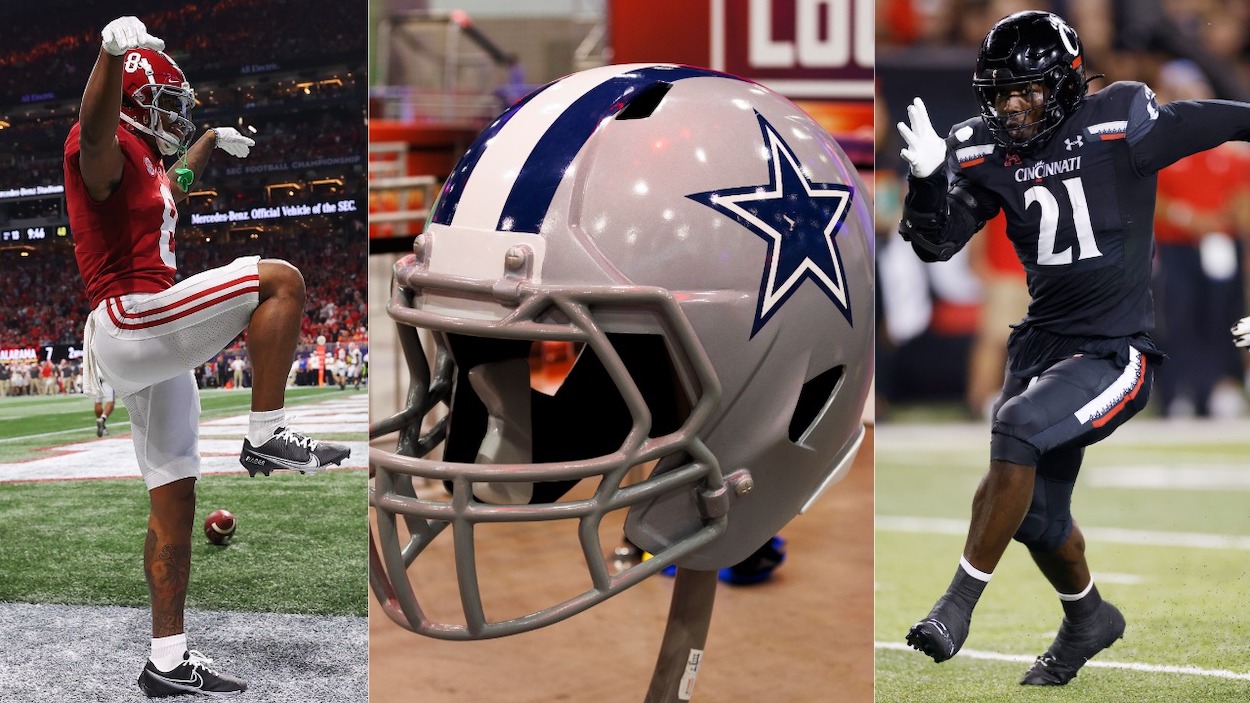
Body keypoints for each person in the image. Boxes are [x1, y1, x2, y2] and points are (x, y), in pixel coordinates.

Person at [894, 10, 1250, 686]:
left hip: (1117, 348)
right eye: (999, 92)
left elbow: (1229, 119)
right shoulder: (985, 147)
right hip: (1042, 347)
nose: (1012, 106)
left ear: (1063, 84)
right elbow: (935, 243)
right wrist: (926, 177)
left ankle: (954, 605)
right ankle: (1088, 616)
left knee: (1018, 425)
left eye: (1026, 90)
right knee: (1036, 516)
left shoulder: (1120, 120)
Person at [64, 16, 351, 697]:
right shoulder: (102, 143)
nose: (174, 116)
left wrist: (211, 141)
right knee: (279, 280)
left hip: (152, 341)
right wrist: (110, 54)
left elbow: (178, 182)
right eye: (164, 104)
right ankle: (265, 435)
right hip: (129, 317)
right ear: (134, 102)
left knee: (175, 501)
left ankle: (166, 660)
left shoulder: (151, 168)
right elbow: (95, 129)